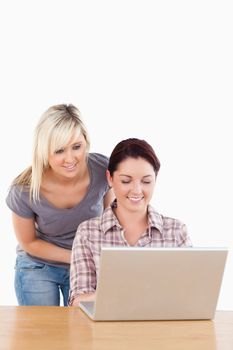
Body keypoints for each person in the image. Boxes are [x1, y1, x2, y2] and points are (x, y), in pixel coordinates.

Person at [6, 104, 114, 306]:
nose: (70, 159)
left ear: (86, 142)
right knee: (45, 333)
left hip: (85, 267)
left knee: (84, 331)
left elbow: (111, 221)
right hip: (38, 266)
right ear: (44, 151)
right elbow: (29, 242)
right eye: (59, 151)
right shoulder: (23, 189)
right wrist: (77, 256)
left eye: (76, 147)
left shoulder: (102, 170)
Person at [69, 138, 192, 306]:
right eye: (126, 181)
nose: (136, 190)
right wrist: (132, 293)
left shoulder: (176, 232)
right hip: (105, 331)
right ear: (110, 178)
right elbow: (78, 301)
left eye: (146, 181)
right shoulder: (88, 233)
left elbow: (190, 296)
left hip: (162, 330)